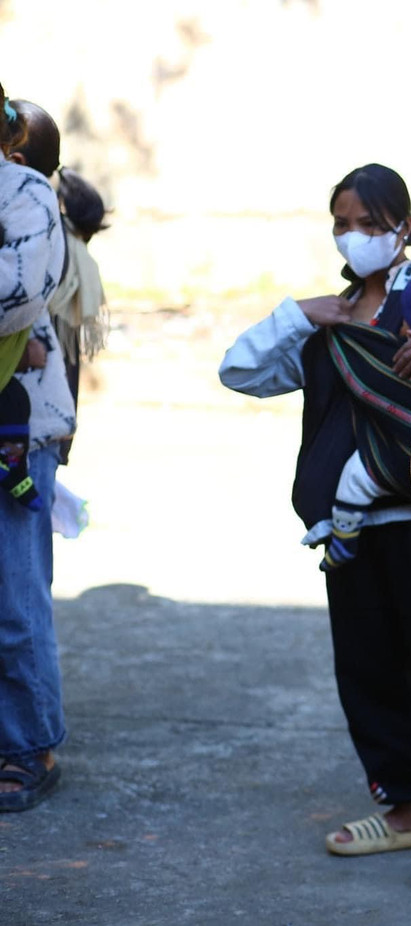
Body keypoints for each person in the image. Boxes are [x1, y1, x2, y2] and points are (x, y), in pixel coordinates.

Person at [218, 163, 411, 890]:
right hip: (347, 531)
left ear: (404, 227)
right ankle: (406, 808)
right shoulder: (327, 319)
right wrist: (300, 313)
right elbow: (238, 372)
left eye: (369, 222)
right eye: (342, 222)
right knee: (366, 667)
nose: (353, 235)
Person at [0, 81, 71, 813]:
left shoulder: (22, 189)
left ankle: (29, 747)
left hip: (18, 428)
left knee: (14, 602)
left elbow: (19, 292)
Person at [9, 99, 111, 464]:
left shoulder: (35, 229)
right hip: (43, 418)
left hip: (28, 424)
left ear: (16, 163)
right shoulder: (48, 223)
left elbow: (27, 339)